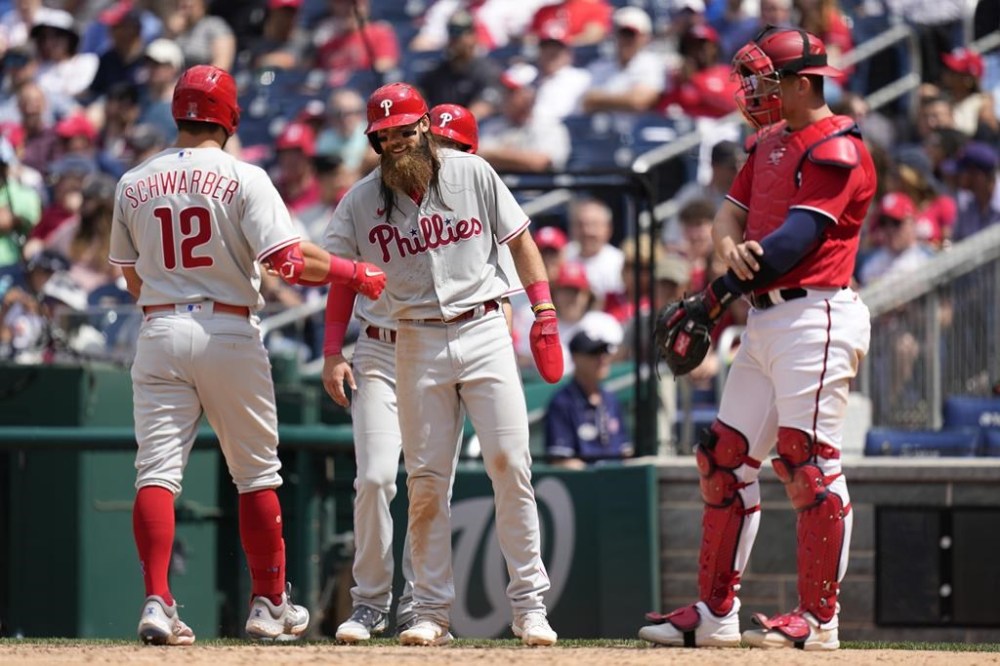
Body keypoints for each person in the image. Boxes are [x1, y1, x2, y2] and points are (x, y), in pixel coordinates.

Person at [108, 64, 387, 646]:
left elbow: (130, 278)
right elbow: (287, 262)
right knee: (256, 473)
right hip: (227, 329)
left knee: (157, 472)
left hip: (158, 328)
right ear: (230, 116)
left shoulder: (133, 180)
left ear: (178, 111)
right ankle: (269, 603)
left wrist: (170, 297)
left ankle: (158, 601)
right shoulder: (244, 176)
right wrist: (352, 270)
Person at [640, 26, 875, 650]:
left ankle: (819, 621)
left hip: (816, 314)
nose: (751, 91)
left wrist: (716, 293)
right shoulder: (768, 141)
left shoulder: (839, 146)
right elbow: (730, 216)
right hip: (766, 316)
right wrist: (725, 252)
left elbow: (798, 240)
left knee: (808, 464)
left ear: (803, 83)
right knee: (722, 460)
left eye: (765, 80)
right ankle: (715, 615)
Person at [322, 82, 562, 647]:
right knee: (426, 482)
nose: (398, 142)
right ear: (375, 141)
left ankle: (530, 604)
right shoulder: (360, 200)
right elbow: (335, 271)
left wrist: (543, 308)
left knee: (510, 464)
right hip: (412, 340)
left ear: (426, 126)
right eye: (386, 136)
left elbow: (521, 240)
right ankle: (428, 610)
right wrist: (332, 349)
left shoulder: (473, 173)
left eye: (406, 130)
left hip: (482, 327)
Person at [545, 325, 632, 469]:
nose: (602, 359)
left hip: (618, 481)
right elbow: (561, 460)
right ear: (575, 358)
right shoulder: (562, 402)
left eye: (604, 352)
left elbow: (625, 451)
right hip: (584, 485)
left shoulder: (610, 399)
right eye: (594, 353)